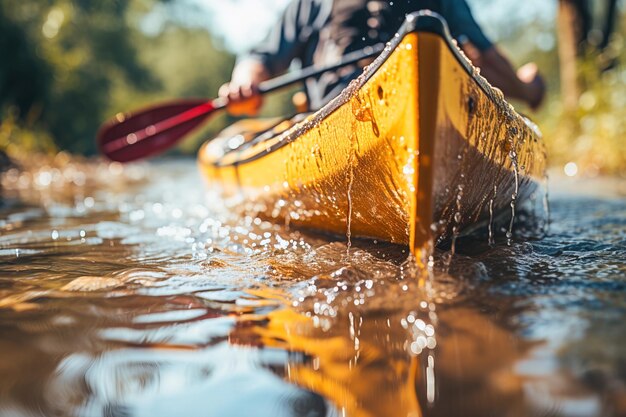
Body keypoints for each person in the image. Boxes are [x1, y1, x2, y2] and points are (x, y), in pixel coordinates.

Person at [219, 0, 545, 116]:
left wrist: (528, 90)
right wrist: (245, 84)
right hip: (336, 112)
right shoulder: (311, 2)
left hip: (432, 107)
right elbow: (261, 57)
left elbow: (487, 59)